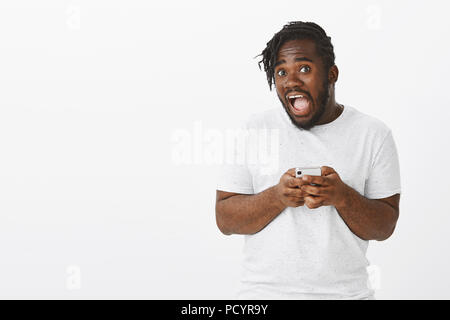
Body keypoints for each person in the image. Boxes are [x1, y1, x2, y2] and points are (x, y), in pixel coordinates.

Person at [215, 21, 401, 300]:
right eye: (281, 72)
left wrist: (343, 197)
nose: (291, 81)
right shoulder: (254, 130)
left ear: (332, 74)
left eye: (304, 68)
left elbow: (385, 226)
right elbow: (224, 219)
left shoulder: (373, 134)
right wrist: (277, 197)